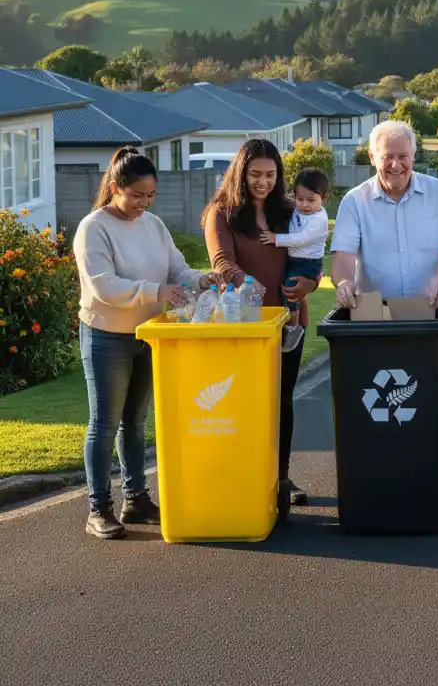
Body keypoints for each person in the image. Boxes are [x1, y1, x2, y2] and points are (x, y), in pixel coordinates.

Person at [74, 147, 218, 540]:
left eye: (150, 196)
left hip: (149, 335)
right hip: (107, 335)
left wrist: (199, 279)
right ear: (116, 187)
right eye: (137, 195)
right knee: (104, 423)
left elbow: (176, 268)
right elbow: (102, 286)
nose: (144, 203)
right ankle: (98, 508)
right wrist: (155, 290)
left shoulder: (153, 224)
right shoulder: (94, 227)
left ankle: (135, 499)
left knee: (134, 422)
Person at [204, 139, 321, 509]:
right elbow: (222, 261)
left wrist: (312, 284)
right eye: (255, 174)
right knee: (243, 402)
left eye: (270, 175)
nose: (263, 182)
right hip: (244, 325)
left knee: (281, 400)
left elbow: (311, 254)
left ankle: (280, 476)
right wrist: (246, 281)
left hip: (288, 321)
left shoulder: (289, 211)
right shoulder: (221, 213)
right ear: (240, 173)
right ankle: (245, 473)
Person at [330, 120, 438, 309]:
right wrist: (344, 283)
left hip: (431, 310)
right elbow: (343, 260)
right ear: (372, 157)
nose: (396, 165)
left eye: (403, 156)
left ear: (413, 156)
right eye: (387, 157)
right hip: (375, 314)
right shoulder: (354, 201)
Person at [260, 167, 331, 352]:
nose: (304, 205)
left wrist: (276, 238)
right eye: (300, 199)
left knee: (290, 288)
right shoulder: (298, 209)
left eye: (311, 200)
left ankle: (293, 326)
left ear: (324, 199)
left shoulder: (319, 220)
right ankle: (292, 322)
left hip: (308, 263)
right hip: (295, 259)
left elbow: (302, 238)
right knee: (286, 286)